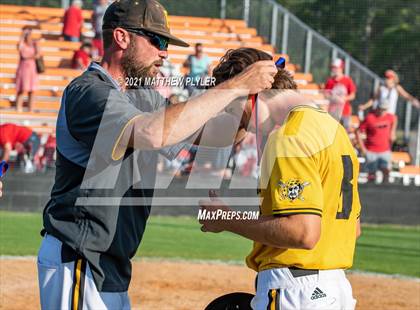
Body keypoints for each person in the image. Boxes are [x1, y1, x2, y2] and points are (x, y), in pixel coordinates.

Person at [37, 1, 277, 309]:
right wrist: (234, 86)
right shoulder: (89, 92)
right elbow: (151, 132)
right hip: (81, 257)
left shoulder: (144, 95)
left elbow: (213, 135)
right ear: (122, 38)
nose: (165, 52)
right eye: (157, 41)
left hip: (109, 262)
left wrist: (251, 102)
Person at [199, 48, 361, 310]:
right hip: (335, 289)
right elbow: (353, 229)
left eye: (232, 107)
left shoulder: (289, 135)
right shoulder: (333, 129)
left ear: (254, 91)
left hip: (296, 291)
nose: (235, 119)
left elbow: (303, 233)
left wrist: (227, 219)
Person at [356, 98, 397, 183]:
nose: (383, 111)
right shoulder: (370, 118)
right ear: (377, 107)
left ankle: (386, 192)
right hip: (371, 151)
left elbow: (394, 119)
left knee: (386, 172)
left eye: (385, 109)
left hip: (385, 150)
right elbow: (358, 132)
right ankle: (371, 193)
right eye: (382, 108)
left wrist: (393, 131)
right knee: (371, 174)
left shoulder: (390, 117)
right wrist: (363, 148)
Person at [324, 58, 357, 130]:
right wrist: (332, 97)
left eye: (335, 67)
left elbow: (353, 95)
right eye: (332, 67)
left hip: (345, 112)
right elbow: (325, 94)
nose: (333, 69)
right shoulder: (330, 81)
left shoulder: (347, 80)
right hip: (333, 112)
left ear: (341, 68)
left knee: (344, 133)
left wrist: (344, 98)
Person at [15, 26, 40, 112]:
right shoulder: (22, 43)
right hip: (23, 67)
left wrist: (28, 57)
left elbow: (38, 54)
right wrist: (22, 36)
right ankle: (18, 108)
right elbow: (19, 48)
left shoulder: (34, 43)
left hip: (32, 68)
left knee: (32, 90)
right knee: (21, 89)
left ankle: (31, 109)